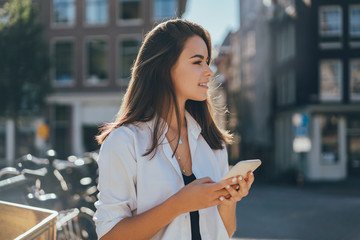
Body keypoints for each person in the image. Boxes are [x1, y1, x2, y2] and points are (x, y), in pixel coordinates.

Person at [93, 19, 255, 240]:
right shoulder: (124, 142)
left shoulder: (213, 143)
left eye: (208, 61)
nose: (209, 71)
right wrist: (179, 204)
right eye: (198, 62)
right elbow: (109, 237)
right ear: (164, 68)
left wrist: (229, 200)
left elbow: (224, 232)